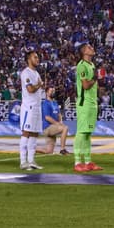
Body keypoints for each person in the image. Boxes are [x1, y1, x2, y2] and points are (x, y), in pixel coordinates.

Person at [72, 43, 101, 173]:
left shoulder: (92, 65)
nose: (92, 48)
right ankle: (77, 162)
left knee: (88, 133)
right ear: (83, 51)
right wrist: (95, 78)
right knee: (81, 132)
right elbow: (85, 85)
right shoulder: (82, 65)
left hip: (92, 102)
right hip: (84, 103)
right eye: (89, 47)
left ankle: (88, 162)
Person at [18, 50, 45, 171]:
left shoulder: (36, 73)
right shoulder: (26, 73)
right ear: (29, 59)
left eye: (38, 57)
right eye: (35, 57)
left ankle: (31, 160)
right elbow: (30, 89)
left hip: (37, 107)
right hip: (28, 107)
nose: (37, 59)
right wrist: (39, 85)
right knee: (26, 132)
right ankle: (23, 161)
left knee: (34, 133)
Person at [40, 88, 68, 155]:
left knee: (49, 151)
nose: (53, 92)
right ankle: (62, 149)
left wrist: (61, 122)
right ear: (47, 93)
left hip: (53, 127)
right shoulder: (45, 103)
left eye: (53, 91)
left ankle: (31, 149)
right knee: (65, 128)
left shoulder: (55, 103)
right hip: (48, 127)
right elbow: (47, 117)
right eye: (51, 91)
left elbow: (59, 114)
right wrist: (58, 124)